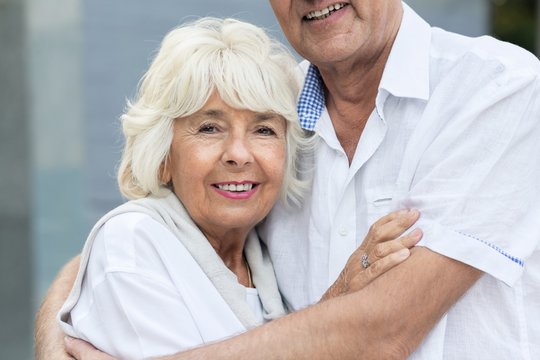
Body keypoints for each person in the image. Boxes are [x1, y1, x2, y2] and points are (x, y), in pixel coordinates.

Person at [37, 1, 540, 359]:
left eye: (258, 132)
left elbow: (384, 334)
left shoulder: (495, 89)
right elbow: (121, 248)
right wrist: (58, 332)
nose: (240, 151)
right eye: (210, 128)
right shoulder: (273, 105)